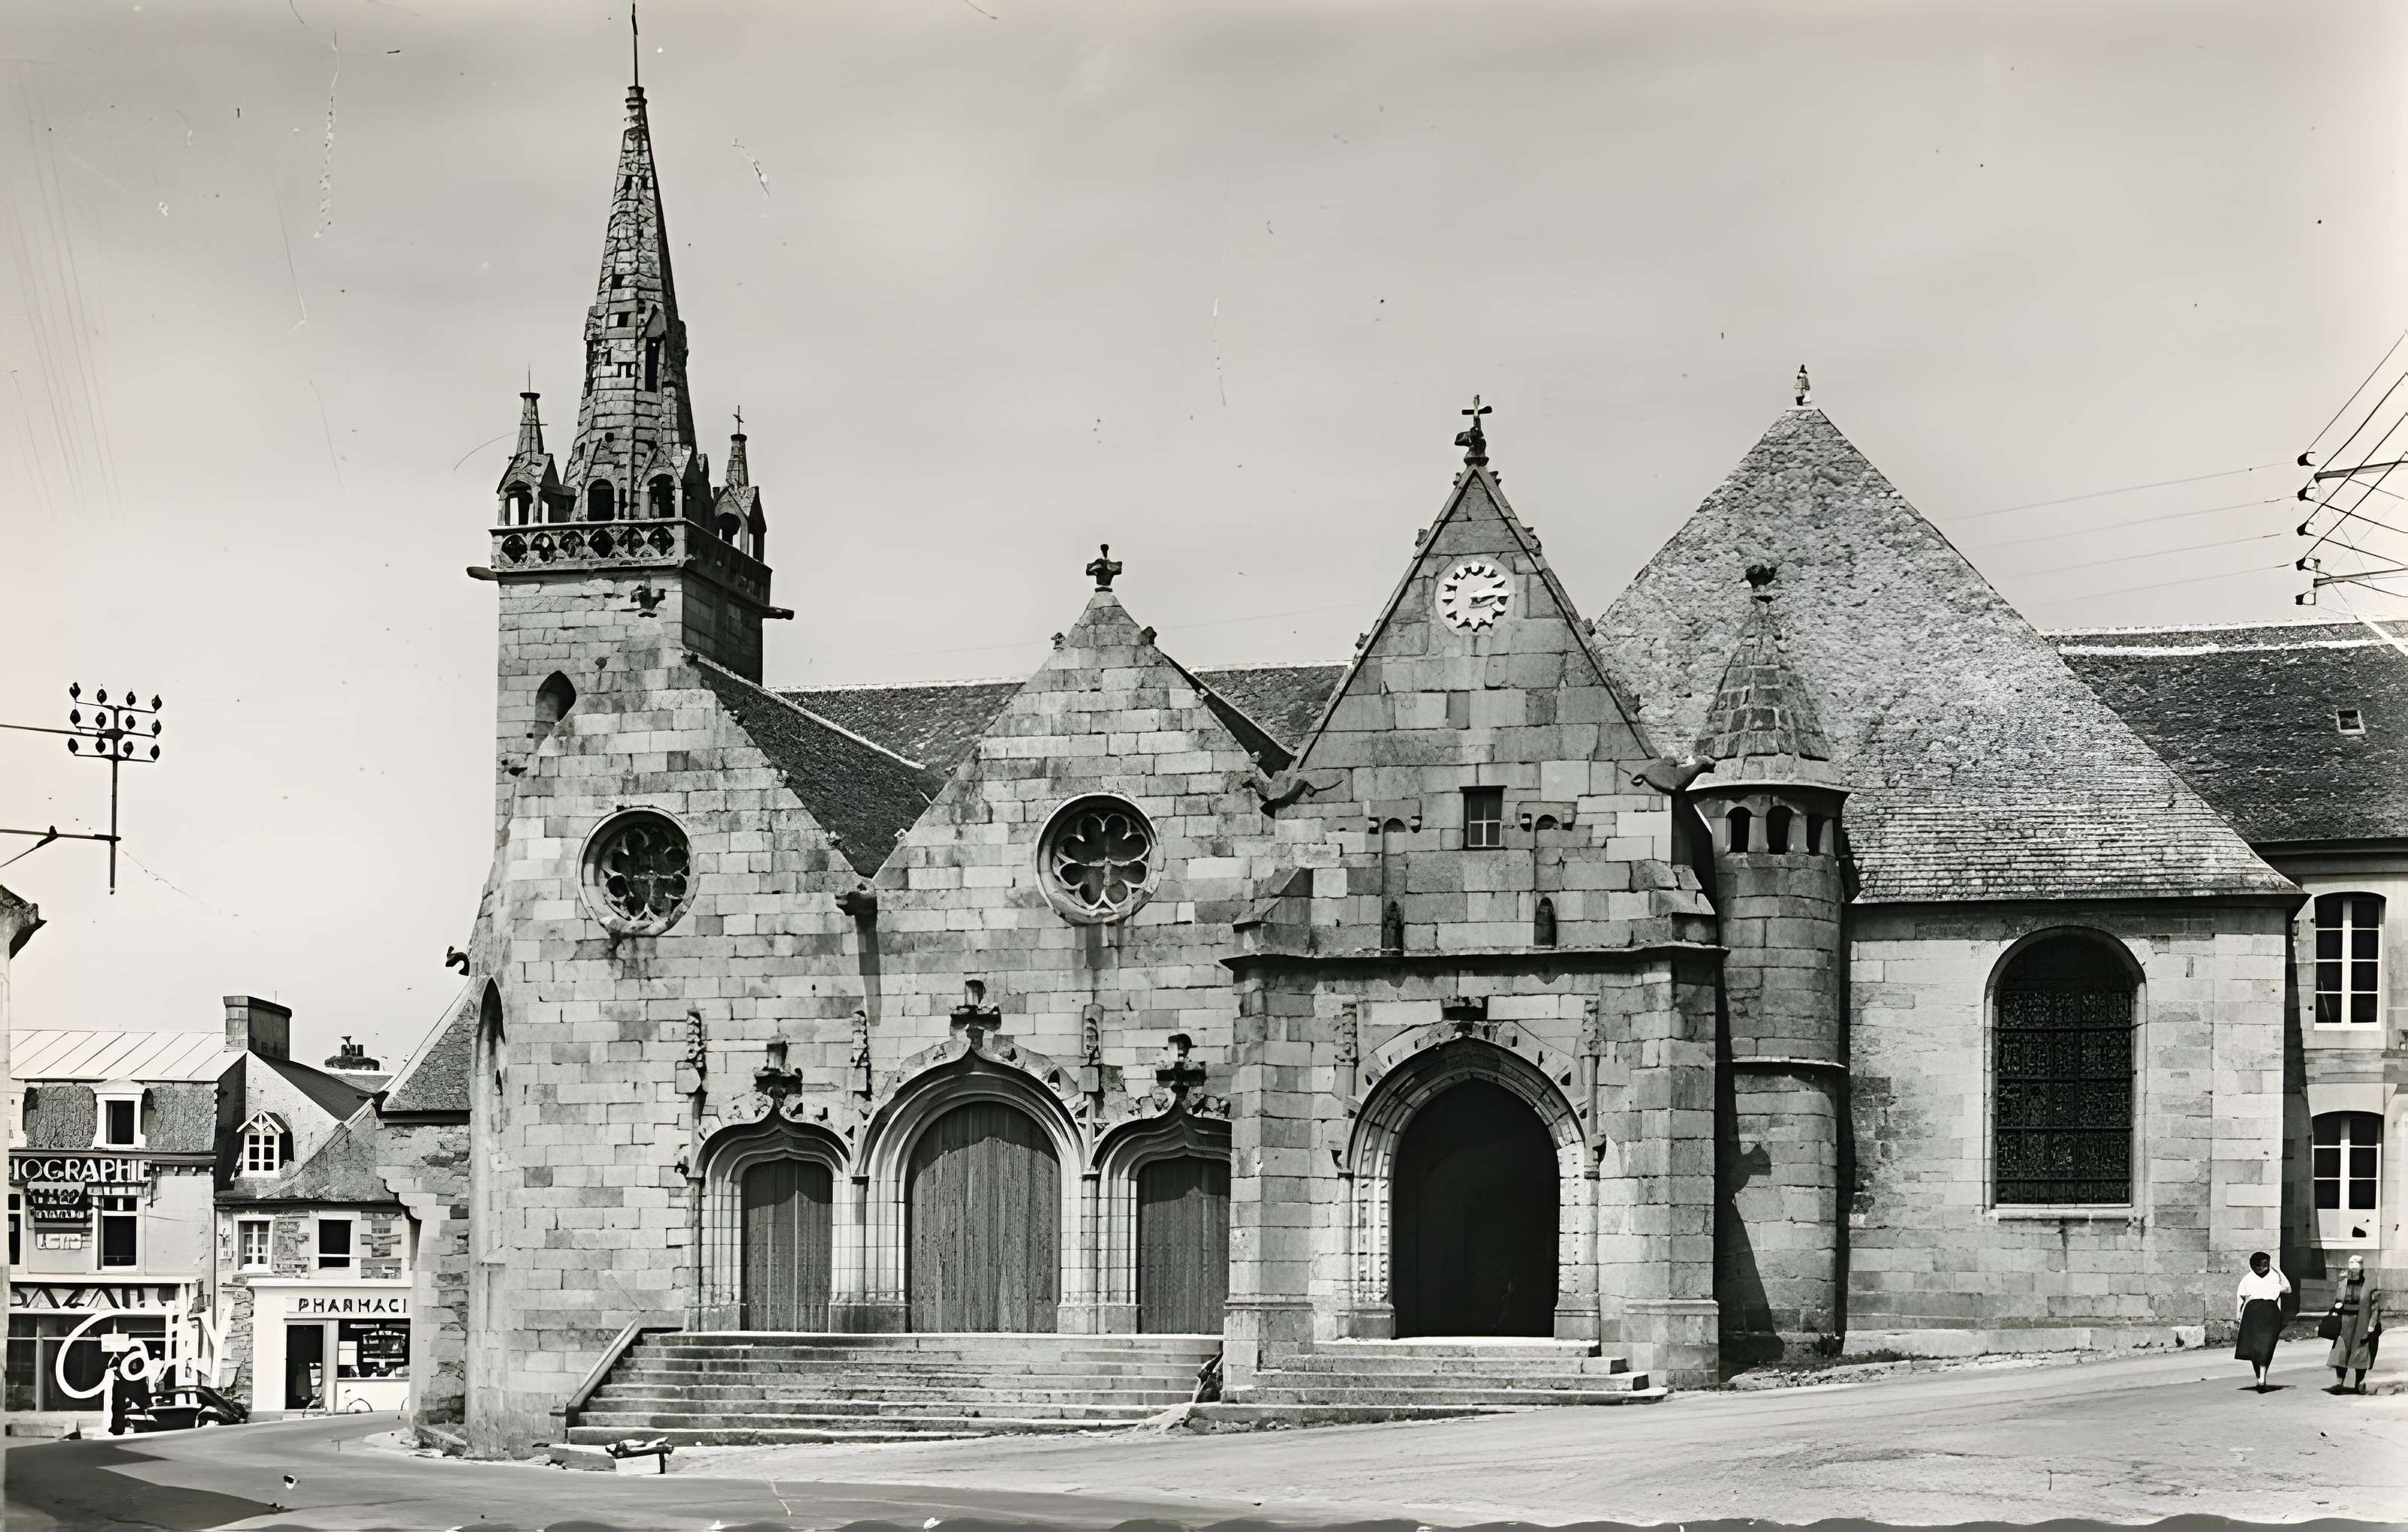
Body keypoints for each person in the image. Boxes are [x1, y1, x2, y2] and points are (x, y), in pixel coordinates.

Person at [2326, 1252, 2384, 1394]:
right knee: (2340, 1352)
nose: (2354, 1271)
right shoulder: (2343, 1282)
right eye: (2352, 1268)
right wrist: (2334, 1312)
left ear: (2362, 1268)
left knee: (2361, 1352)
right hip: (2344, 1322)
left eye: (2357, 1268)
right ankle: (2339, 1382)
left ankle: (2359, 1382)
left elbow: (2375, 1306)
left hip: (2362, 1323)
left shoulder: (2371, 1284)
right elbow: (2338, 1301)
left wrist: (2372, 1324)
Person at [2234, 1251, 2289, 1391]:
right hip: (2252, 1314)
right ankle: (2260, 1377)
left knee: (2267, 1346)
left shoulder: (2274, 1276)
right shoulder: (2247, 1279)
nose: (2262, 1268)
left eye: (2266, 1264)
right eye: (2259, 1265)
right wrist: (2238, 1316)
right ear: (2253, 1265)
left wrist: (2278, 1270)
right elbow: (2240, 1298)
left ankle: (2262, 1376)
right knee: (2254, 1349)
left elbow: (2288, 1288)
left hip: (2270, 1313)